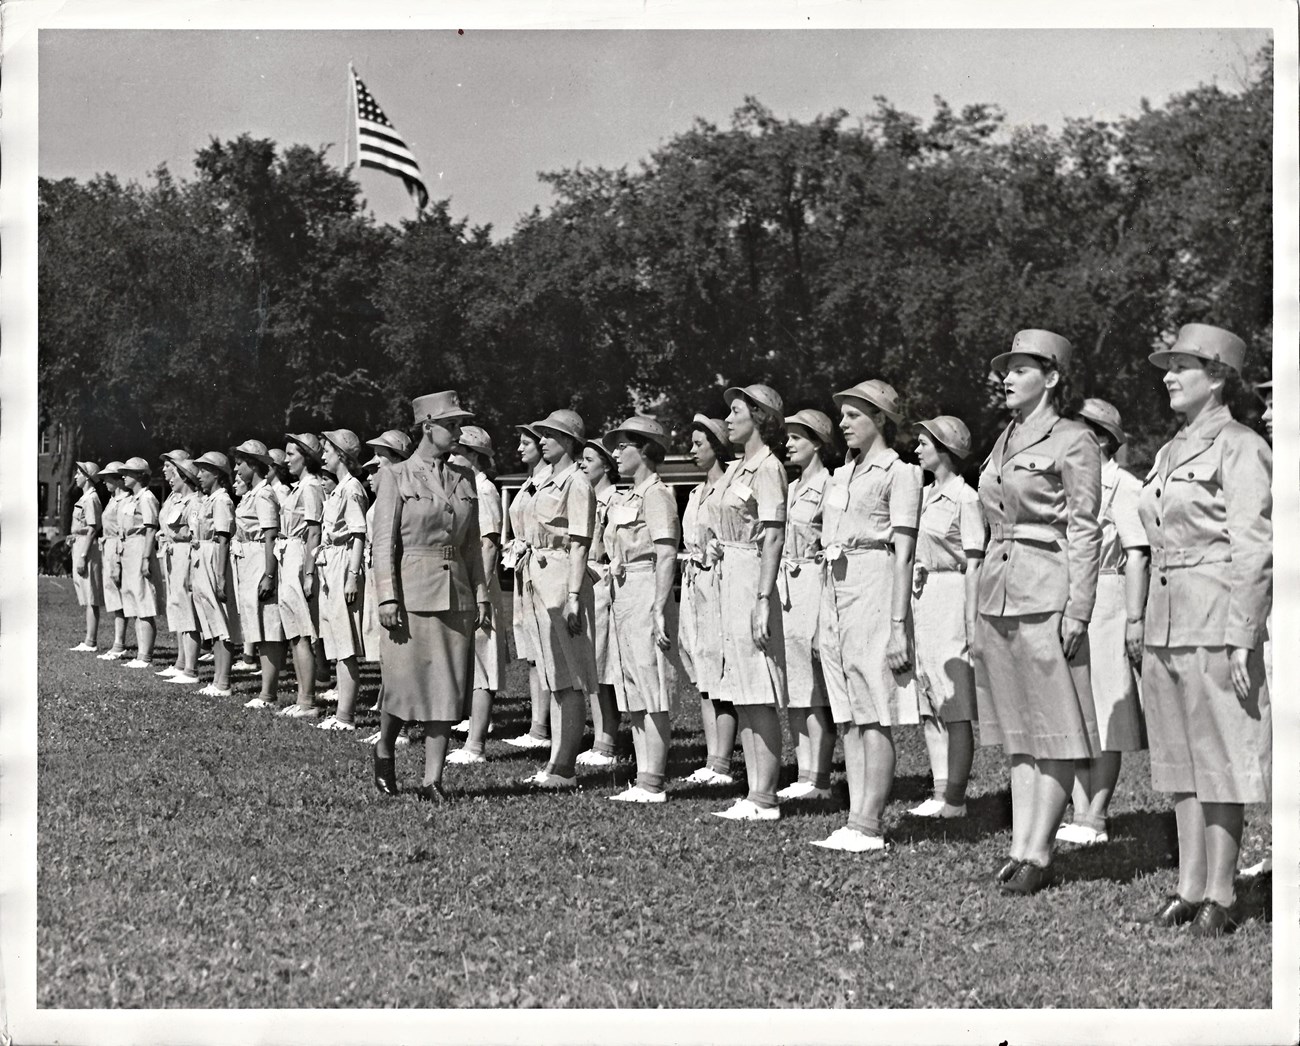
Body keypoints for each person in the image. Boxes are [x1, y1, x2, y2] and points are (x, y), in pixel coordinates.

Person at [1138, 324, 1271, 936]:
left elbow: (1255, 549)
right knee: (1181, 762)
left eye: (1182, 365)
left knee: (1219, 760)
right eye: (1167, 365)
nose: (1168, 375)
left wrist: (1244, 633)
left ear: (1216, 377)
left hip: (1216, 620)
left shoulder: (1241, 446)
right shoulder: (1170, 451)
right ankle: (1190, 887)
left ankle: (1223, 891)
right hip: (1168, 623)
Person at [972, 329, 1102, 895]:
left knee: (1054, 728)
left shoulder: (1073, 439)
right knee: (1021, 730)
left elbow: (1085, 528)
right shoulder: (1004, 436)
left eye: (1021, 368)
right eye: (1006, 368)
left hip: (1047, 590)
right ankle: (1021, 845)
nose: (1006, 377)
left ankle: (1041, 851)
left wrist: (1078, 608)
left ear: (1050, 378)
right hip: (999, 590)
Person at [812, 380, 921, 852]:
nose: (843, 423)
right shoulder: (841, 475)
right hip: (836, 588)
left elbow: (903, 553)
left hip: (875, 584)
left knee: (874, 710)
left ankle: (870, 825)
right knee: (850, 713)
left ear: (881, 419)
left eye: (854, 415)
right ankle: (856, 816)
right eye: (843, 415)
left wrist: (899, 626)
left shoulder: (900, 473)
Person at [371, 390, 490, 801]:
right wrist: (387, 597)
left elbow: (472, 544)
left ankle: (431, 780)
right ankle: (385, 746)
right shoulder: (396, 475)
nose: (458, 432)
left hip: (455, 591)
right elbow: (383, 543)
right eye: (451, 425)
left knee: (447, 686)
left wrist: (482, 594)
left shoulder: (465, 477)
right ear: (427, 427)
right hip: (410, 593)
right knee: (404, 685)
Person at [1056, 399, 1149, 846]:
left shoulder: (1123, 486)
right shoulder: (1069, 486)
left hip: (1109, 600)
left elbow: (1137, 552)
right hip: (1072, 600)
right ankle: (1076, 807)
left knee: (1107, 707)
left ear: (1103, 440)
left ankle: (1096, 813)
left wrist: (1135, 617)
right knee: (1074, 707)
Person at [710, 384, 788, 821]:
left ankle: (765, 796)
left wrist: (762, 598)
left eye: (736, 411)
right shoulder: (737, 469)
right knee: (742, 691)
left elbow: (774, 534)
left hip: (752, 582)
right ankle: (755, 790)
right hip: (730, 576)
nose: (729, 419)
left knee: (758, 688)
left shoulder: (768, 468)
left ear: (759, 417)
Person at [908, 416, 985, 820]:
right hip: (922, 597)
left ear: (945, 449)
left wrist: (970, 619)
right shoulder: (921, 496)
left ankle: (955, 797)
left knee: (953, 703)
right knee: (929, 698)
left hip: (952, 597)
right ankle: (939, 792)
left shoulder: (965, 498)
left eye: (924, 442)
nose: (917, 448)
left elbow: (974, 562)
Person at [519, 409, 599, 789]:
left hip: (563, 577)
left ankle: (565, 767)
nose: (543, 440)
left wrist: (571, 596)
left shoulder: (576, 483)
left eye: (550, 434)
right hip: (539, 574)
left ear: (569, 441)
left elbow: (580, 542)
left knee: (569, 677)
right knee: (553, 675)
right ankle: (555, 762)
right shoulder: (546, 481)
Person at [603, 416, 681, 804]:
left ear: (645, 450)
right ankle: (643, 775)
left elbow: (666, 553)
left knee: (651, 686)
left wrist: (659, 607)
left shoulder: (656, 494)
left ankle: (654, 780)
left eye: (623, 446)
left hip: (646, 586)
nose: (615, 453)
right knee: (631, 686)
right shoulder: (626, 496)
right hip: (623, 591)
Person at [777, 409, 835, 801]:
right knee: (795, 686)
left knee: (816, 689)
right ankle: (803, 772)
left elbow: (830, 546)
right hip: (787, 589)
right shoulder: (792, 488)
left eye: (798, 437)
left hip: (814, 582)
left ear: (817, 442)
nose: (789, 443)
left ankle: (821, 778)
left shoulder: (830, 487)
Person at [678, 416, 737, 786]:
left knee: (723, 669)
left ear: (717, 445)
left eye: (699, 443)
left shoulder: (734, 485)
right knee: (702, 666)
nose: (692, 450)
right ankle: (711, 758)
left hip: (723, 583)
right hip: (695, 584)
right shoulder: (697, 492)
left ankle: (723, 762)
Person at [447, 425, 509, 764]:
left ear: (474, 455)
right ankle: (470, 733)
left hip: (480, 588)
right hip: (467, 586)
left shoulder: (485, 491)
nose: (451, 458)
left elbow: (488, 546)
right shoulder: (468, 490)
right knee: (471, 662)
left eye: (457, 452)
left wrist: (480, 593)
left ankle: (476, 745)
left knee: (484, 662)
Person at [358, 429, 414, 744]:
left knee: (397, 655)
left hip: (393, 582)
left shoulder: (401, 496)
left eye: (377, 466)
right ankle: (391, 723)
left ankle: (401, 728)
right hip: (378, 579)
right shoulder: (382, 499)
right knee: (386, 655)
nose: (371, 474)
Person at [502, 423, 553, 752]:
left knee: (546, 650)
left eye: (525, 443)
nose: (519, 449)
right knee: (532, 652)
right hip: (525, 568)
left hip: (544, 569)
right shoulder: (528, 483)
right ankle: (537, 725)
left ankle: (544, 726)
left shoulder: (549, 481)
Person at [315, 429, 369, 732]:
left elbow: (359, 534)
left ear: (341, 454)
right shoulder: (339, 490)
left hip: (343, 563)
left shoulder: (351, 489)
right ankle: (340, 712)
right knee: (336, 638)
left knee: (345, 642)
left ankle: (345, 716)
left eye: (328, 449)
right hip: (331, 561)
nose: (324, 455)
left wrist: (351, 576)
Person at [573, 435, 622, 769]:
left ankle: (607, 740)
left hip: (604, 583)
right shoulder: (586, 496)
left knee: (604, 665)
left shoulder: (615, 499)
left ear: (607, 465)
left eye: (589, 460)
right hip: (588, 580)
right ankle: (602, 737)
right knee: (592, 663)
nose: (582, 465)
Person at [230, 440, 286, 709]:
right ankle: (267, 690)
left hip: (259, 560)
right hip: (248, 559)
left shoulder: (264, 494)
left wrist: (269, 574)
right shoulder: (252, 493)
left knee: (268, 626)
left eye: (241, 463)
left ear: (253, 464)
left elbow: (270, 536)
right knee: (258, 625)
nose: (236, 468)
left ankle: (269, 694)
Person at [276, 434, 326, 719]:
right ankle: (301, 698)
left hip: (299, 556)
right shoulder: (299, 487)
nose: (286, 460)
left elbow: (314, 532)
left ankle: (308, 701)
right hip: (288, 554)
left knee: (303, 633)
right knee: (295, 632)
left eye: (291, 454)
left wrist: (308, 572)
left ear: (305, 456)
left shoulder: (311, 487)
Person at [188, 452, 242, 697]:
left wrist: (220, 575)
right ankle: (219, 679)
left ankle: (224, 681)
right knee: (211, 617)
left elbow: (223, 538)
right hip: (203, 554)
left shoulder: (222, 500)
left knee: (221, 619)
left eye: (203, 471)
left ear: (217, 474)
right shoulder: (209, 500)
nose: (198, 476)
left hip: (214, 558)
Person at [155, 451, 202, 684]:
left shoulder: (194, 501)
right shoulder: (176, 498)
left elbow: (194, 534)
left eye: (175, 473)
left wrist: (175, 536)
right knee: (178, 606)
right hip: (174, 554)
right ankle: (182, 662)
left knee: (187, 608)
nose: (170, 476)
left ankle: (191, 668)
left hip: (185, 555)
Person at [116, 457, 164, 668]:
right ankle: (140, 655)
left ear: (138, 476)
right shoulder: (131, 499)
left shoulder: (147, 498)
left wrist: (146, 558)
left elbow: (151, 528)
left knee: (144, 601)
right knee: (134, 601)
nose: (123, 476)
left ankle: (145, 656)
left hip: (140, 548)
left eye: (127, 472)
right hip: (129, 550)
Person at [67, 461, 105, 652]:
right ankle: (88, 639)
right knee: (85, 592)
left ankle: (91, 641)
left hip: (87, 548)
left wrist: (83, 555)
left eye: (79, 473)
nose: (76, 476)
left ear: (88, 477)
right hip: (80, 544)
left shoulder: (91, 499)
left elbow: (92, 529)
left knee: (91, 594)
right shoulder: (85, 498)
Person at [95, 462, 131, 661]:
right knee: (114, 596)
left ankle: (119, 643)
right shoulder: (112, 499)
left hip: (117, 549)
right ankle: (118, 642)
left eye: (108, 477)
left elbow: (121, 529)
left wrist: (116, 559)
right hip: (108, 548)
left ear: (118, 479)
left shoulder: (124, 501)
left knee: (119, 596)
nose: (104, 481)